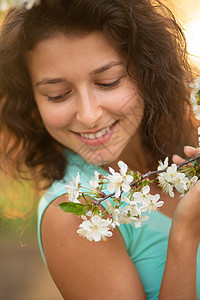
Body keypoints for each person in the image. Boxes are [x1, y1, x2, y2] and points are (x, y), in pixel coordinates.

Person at [0, 0, 200, 299]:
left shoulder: (186, 133)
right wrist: (185, 235)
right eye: (58, 95)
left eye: (108, 82)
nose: (89, 114)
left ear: (147, 73)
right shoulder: (76, 214)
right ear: (32, 100)